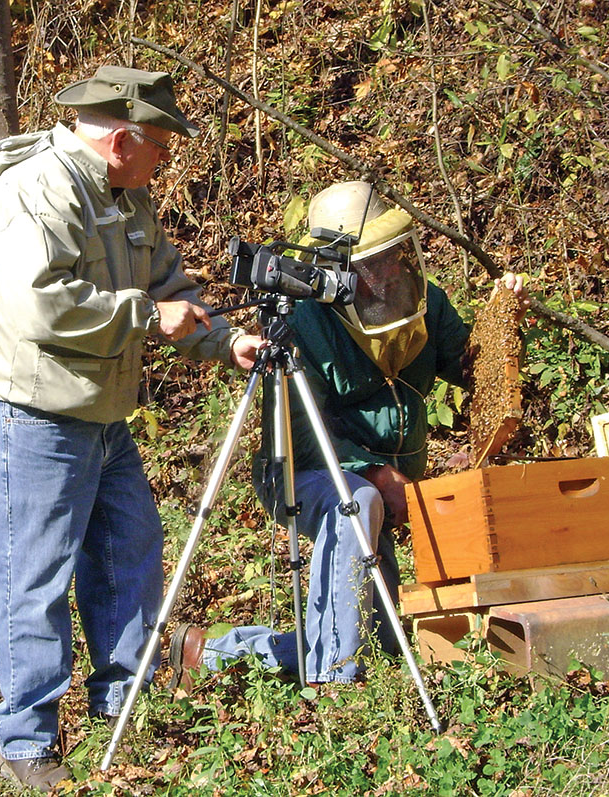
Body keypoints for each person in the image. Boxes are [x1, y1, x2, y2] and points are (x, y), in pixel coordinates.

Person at [0, 65, 263, 792]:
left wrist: (226, 341)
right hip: (33, 414)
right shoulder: (37, 190)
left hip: (99, 415)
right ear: (123, 138)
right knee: (34, 578)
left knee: (129, 547)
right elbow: (45, 306)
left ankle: (124, 700)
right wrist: (144, 317)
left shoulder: (126, 198)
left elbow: (168, 287)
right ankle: (27, 743)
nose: (165, 160)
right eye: (161, 147)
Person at [170, 181, 529, 687]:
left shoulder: (425, 303)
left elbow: (475, 370)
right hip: (308, 471)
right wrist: (377, 473)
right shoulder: (301, 322)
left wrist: (506, 321)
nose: (385, 273)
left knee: (379, 641)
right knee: (356, 505)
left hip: (384, 480)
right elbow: (298, 435)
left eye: (390, 257)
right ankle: (333, 686)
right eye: (370, 263)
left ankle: (211, 654)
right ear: (331, 269)